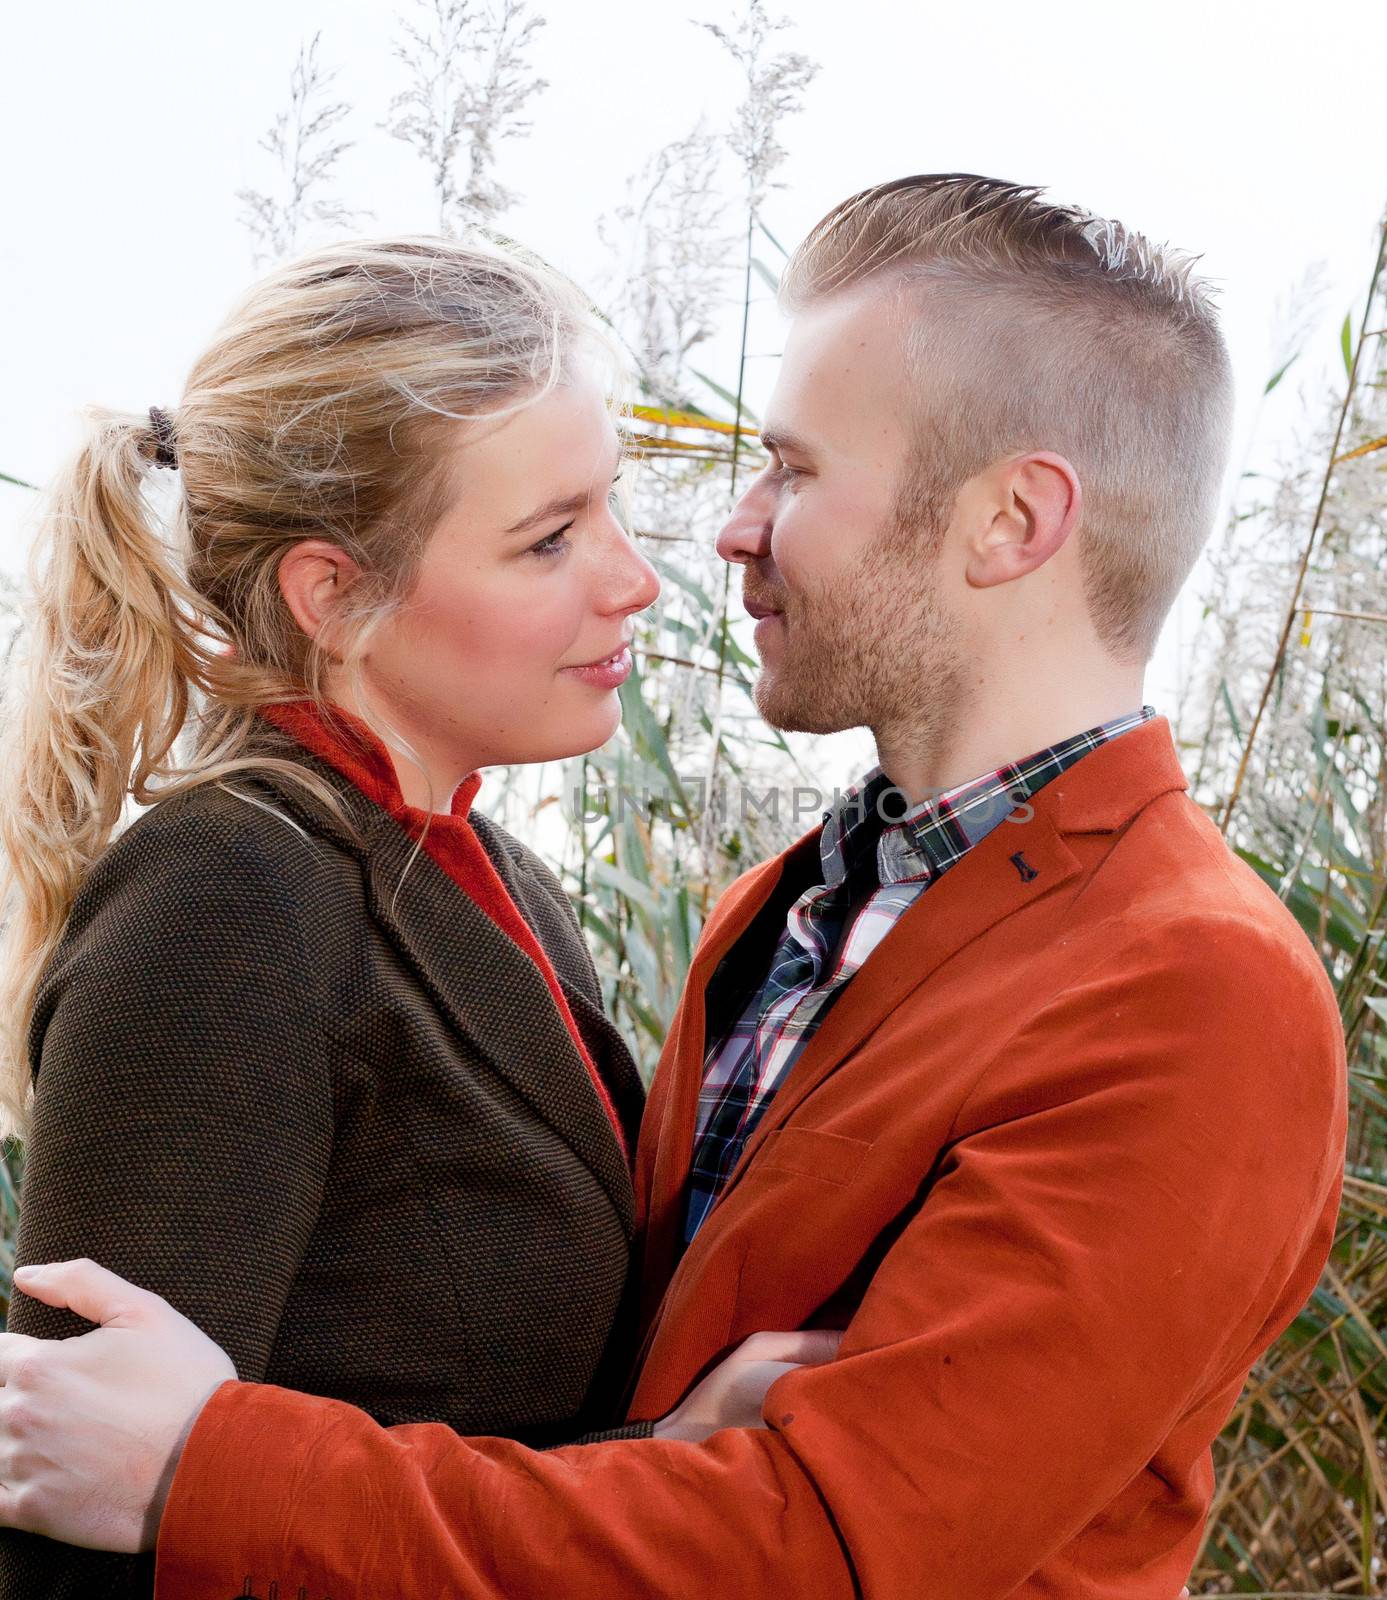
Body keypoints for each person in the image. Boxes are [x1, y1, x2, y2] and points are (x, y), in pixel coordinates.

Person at [0, 175, 1347, 1599]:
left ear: (1013, 520)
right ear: (337, 590)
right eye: (550, 534)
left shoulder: (1192, 989)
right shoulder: (781, 915)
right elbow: (77, 1482)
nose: (719, 537)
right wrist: (659, 1442)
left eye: (797, 470)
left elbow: (824, 1543)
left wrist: (224, 1474)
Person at [0, 234, 824, 1598]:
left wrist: (669, 1454)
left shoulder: (493, 885)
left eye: (607, 508)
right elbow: (74, 1535)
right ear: (335, 595)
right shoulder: (229, 902)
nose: (633, 580)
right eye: (549, 539)